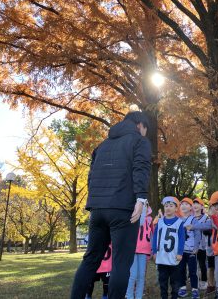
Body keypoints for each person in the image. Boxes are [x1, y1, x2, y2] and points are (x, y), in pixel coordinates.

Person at [71, 111, 151, 299]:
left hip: (97, 209)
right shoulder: (140, 141)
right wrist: (141, 197)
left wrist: (95, 202)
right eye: (146, 130)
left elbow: (90, 177)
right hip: (123, 209)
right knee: (121, 263)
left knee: (90, 260)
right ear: (140, 125)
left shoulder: (102, 146)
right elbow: (141, 168)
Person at [152, 197, 185, 299]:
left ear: (176, 208)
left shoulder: (179, 223)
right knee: (163, 282)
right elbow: (155, 237)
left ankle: (174, 297)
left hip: (174, 257)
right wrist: (154, 251)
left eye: (171, 206)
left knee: (175, 283)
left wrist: (180, 252)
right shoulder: (160, 222)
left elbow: (181, 239)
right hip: (162, 257)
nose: (168, 208)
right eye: (166, 206)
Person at [126, 206, 153, 299]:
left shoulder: (149, 220)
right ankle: (129, 296)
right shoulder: (131, 217)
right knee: (133, 275)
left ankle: (139, 296)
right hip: (132, 250)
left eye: (145, 205)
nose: (143, 207)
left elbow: (151, 235)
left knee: (141, 276)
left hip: (144, 251)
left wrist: (152, 250)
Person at [178, 198, 200, 299]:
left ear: (191, 207)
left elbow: (197, 234)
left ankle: (195, 289)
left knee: (192, 271)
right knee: (181, 270)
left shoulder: (193, 219)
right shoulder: (177, 220)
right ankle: (182, 288)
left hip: (191, 250)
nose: (184, 206)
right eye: (182, 204)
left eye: (187, 204)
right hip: (181, 251)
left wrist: (196, 247)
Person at [192, 198, 210, 291]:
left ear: (202, 206)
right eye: (194, 203)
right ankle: (195, 282)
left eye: (197, 203)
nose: (195, 205)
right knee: (193, 265)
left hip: (203, 245)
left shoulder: (206, 218)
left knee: (202, 264)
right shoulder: (190, 218)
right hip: (192, 245)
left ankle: (204, 281)